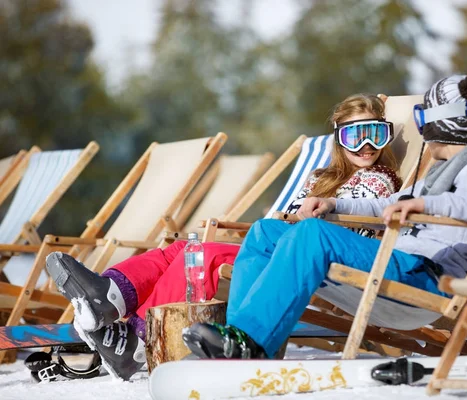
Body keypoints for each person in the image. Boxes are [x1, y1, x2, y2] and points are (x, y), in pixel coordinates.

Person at [45, 93, 403, 380]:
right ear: (339, 139)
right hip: (280, 249)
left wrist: (322, 207)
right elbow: (286, 215)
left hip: (306, 262)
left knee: (207, 256)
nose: (367, 145)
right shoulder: (320, 176)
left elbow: (343, 219)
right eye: (355, 135)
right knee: (185, 247)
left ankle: (137, 337)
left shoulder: (381, 180)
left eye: (376, 134)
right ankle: (110, 295)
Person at [181, 73, 467, 361]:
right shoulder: (440, 175)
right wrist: (333, 205)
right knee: (265, 231)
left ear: (440, 125)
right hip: (399, 265)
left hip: (426, 278)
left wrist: (428, 206)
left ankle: (251, 342)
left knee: (312, 234)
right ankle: (240, 337)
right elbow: (385, 204)